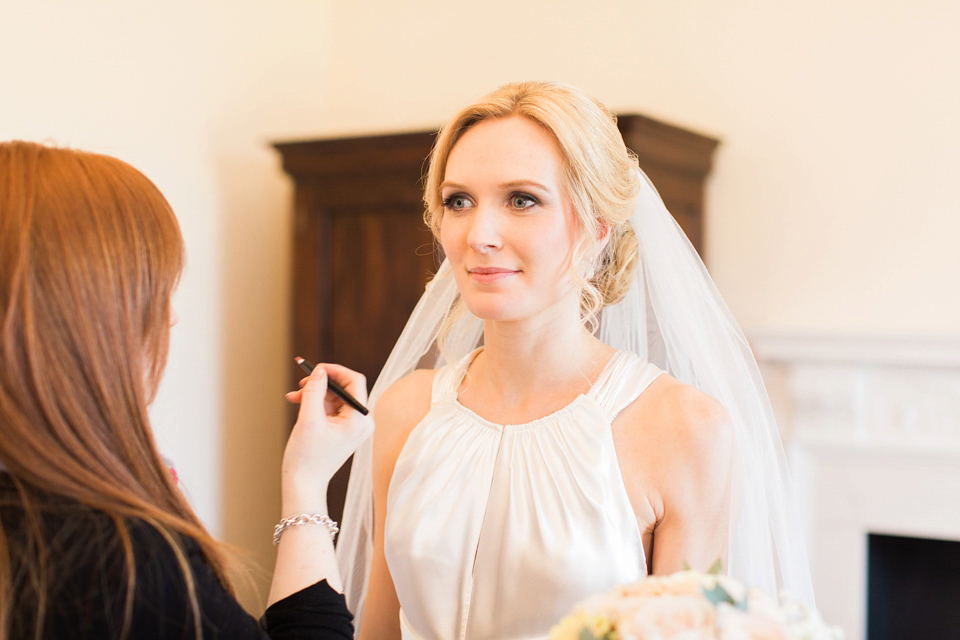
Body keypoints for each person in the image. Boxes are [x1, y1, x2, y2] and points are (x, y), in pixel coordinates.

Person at [336, 82, 815, 639]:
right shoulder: (403, 411)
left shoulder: (684, 428)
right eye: (457, 201)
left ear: (595, 229)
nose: (478, 235)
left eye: (522, 199)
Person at [0, 141, 370, 639]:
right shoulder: (119, 563)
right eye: (155, 291)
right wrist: (307, 483)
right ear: (81, 315)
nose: (171, 316)